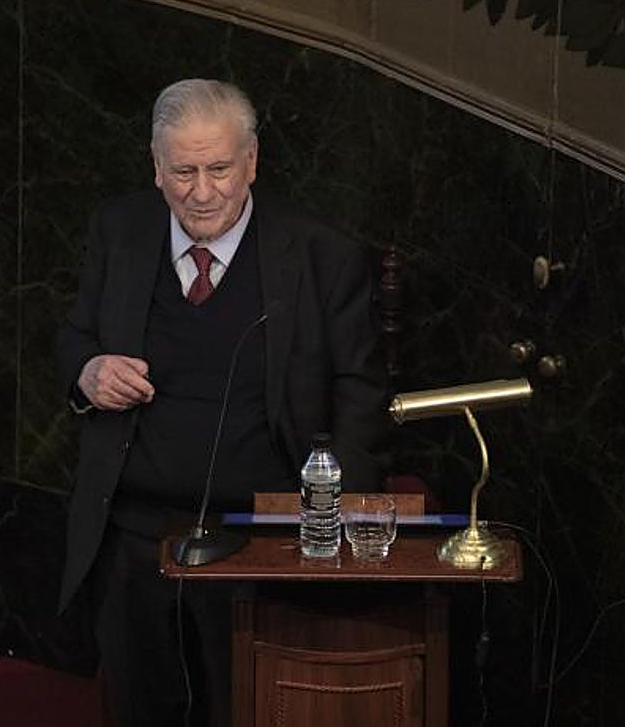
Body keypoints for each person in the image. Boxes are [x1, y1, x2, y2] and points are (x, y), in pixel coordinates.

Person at [56, 78, 387, 726]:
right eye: (182, 171)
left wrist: (335, 523)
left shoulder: (321, 254)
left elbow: (360, 391)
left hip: (260, 540)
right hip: (133, 536)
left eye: (218, 169)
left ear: (253, 162)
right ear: (156, 168)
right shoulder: (118, 230)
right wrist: (89, 372)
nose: (201, 192)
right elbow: (75, 337)